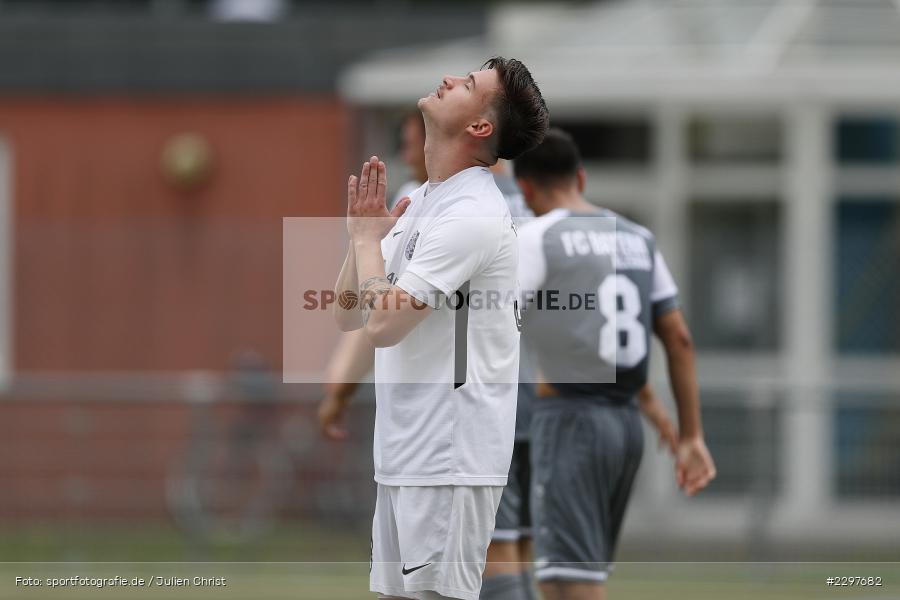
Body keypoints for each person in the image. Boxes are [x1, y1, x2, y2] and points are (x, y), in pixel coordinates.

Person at [332, 57, 549, 600]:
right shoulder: (426, 200)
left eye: (469, 84)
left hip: (449, 456)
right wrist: (364, 238)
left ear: (480, 127)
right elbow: (345, 312)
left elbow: (382, 326)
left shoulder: (472, 212)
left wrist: (366, 245)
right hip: (405, 453)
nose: (451, 79)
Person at [513, 129, 716, 600]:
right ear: (580, 177)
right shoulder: (637, 237)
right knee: (573, 576)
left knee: (570, 581)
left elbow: (496, 319)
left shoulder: (538, 237)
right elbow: (679, 339)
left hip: (570, 420)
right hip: (624, 424)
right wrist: (690, 435)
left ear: (524, 188)